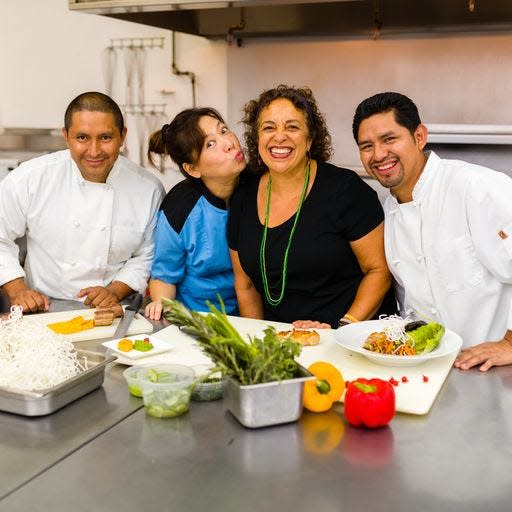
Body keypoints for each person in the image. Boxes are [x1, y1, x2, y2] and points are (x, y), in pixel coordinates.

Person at [353, 91, 512, 371]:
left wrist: (510, 344)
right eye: (367, 146)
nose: (378, 154)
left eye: (389, 139)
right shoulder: (389, 211)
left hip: (497, 370)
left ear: (419, 137)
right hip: (436, 370)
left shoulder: (474, 186)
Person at [227, 84, 395, 328]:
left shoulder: (346, 191)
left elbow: (379, 272)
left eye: (292, 127)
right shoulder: (243, 195)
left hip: (345, 340)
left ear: (309, 139)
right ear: (257, 138)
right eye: (268, 128)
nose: (279, 136)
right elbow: (245, 284)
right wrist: (257, 343)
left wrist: (343, 329)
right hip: (280, 345)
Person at [0, 91, 165, 313]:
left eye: (105, 137)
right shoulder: (30, 178)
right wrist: (18, 290)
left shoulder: (148, 189)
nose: (94, 151)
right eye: (82, 138)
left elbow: (146, 255)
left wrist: (114, 292)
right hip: (42, 308)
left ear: (122, 137)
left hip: (114, 309)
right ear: (66, 136)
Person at [144, 108, 246, 321]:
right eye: (210, 144)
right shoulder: (179, 209)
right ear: (192, 169)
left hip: (251, 313)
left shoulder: (260, 186)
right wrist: (161, 303)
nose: (229, 143)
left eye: (224, 130)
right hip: (198, 319)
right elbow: (164, 276)